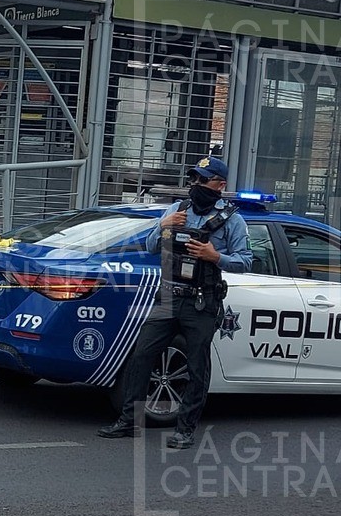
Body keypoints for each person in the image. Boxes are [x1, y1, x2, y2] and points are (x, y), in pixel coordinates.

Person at [98, 156, 252, 449]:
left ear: (219, 185)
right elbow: (151, 247)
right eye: (194, 179)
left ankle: (185, 429)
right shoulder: (176, 209)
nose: (195, 185)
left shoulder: (233, 220)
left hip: (201, 302)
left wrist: (215, 256)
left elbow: (245, 261)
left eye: (202, 180)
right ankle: (130, 420)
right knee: (142, 356)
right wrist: (163, 225)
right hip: (168, 296)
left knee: (197, 367)